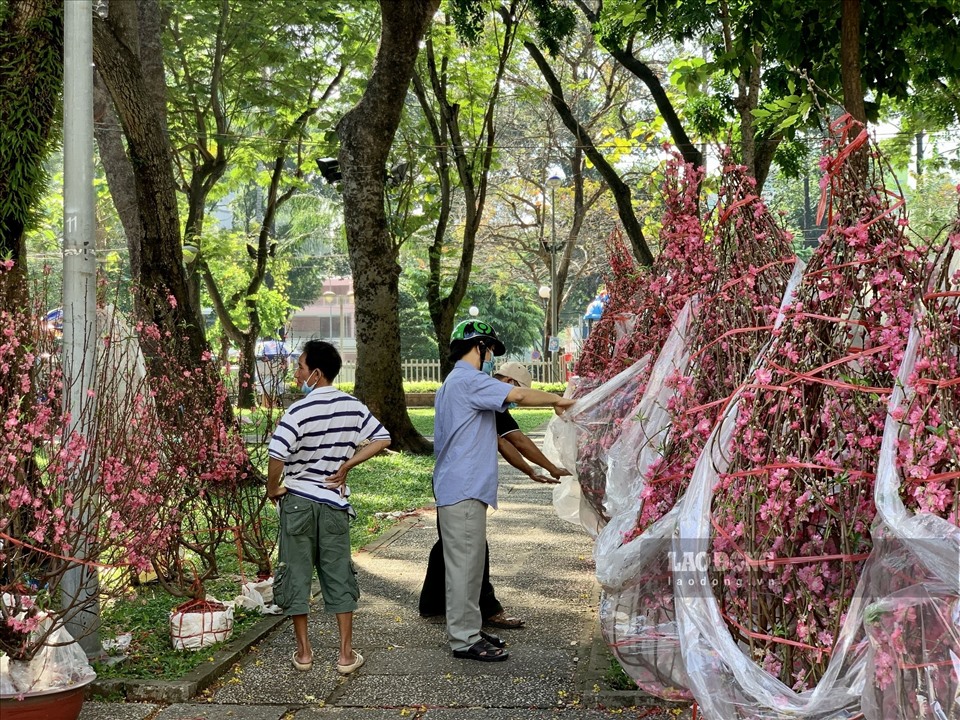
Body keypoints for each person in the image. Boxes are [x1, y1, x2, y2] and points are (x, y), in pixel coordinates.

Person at [432, 320, 574, 662]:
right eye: (490, 350)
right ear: (478, 346)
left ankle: (469, 628)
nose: (492, 358)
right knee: (465, 568)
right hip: (463, 488)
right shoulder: (469, 380)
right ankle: (464, 640)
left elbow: (502, 439)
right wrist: (557, 399)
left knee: (469, 565)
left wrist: (532, 470)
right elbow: (521, 395)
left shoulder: (458, 383)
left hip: (463, 488)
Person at [266, 340, 390, 675]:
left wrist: (272, 488)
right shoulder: (353, 407)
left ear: (316, 374)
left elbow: (277, 454)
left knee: (296, 573)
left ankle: (304, 653)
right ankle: (346, 656)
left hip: (298, 503)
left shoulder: (298, 411)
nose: (297, 373)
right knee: (337, 574)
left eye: (301, 367)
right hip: (334, 503)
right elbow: (382, 438)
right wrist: (347, 465)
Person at [256, 337, 289, 410]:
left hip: (274, 378)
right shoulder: (261, 358)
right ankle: (267, 406)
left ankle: (271, 406)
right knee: (267, 390)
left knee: (272, 390)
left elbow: (284, 366)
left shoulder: (278, 356)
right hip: (266, 378)